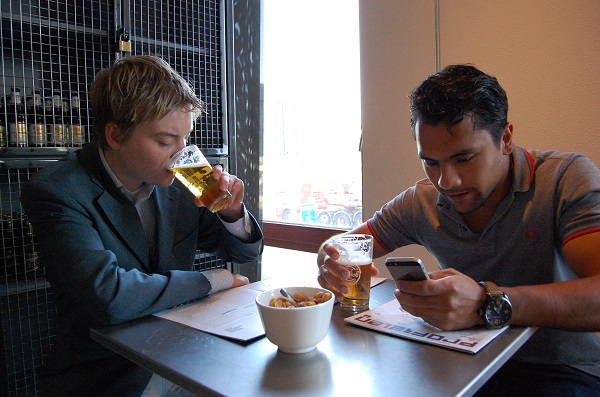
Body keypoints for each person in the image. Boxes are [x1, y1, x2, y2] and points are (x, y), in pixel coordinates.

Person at [317, 64, 600, 396]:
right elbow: (349, 243)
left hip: (560, 370)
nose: (446, 182)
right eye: (431, 162)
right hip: (460, 363)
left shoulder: (566, 179)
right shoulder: (420, 200)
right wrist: (330, 257)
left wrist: (487, 302)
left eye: (464, 159)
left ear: (505, 139)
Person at [21, 55, 264, 396]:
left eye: (185, 139)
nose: (182, 154)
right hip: (108, 376)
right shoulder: (58, 191)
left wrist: (232, 213)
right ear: (115, 135)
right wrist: (212, 280)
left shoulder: (179, 185)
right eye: (165, 142)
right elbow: (108, 296)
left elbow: (240, 251)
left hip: (185, 355)